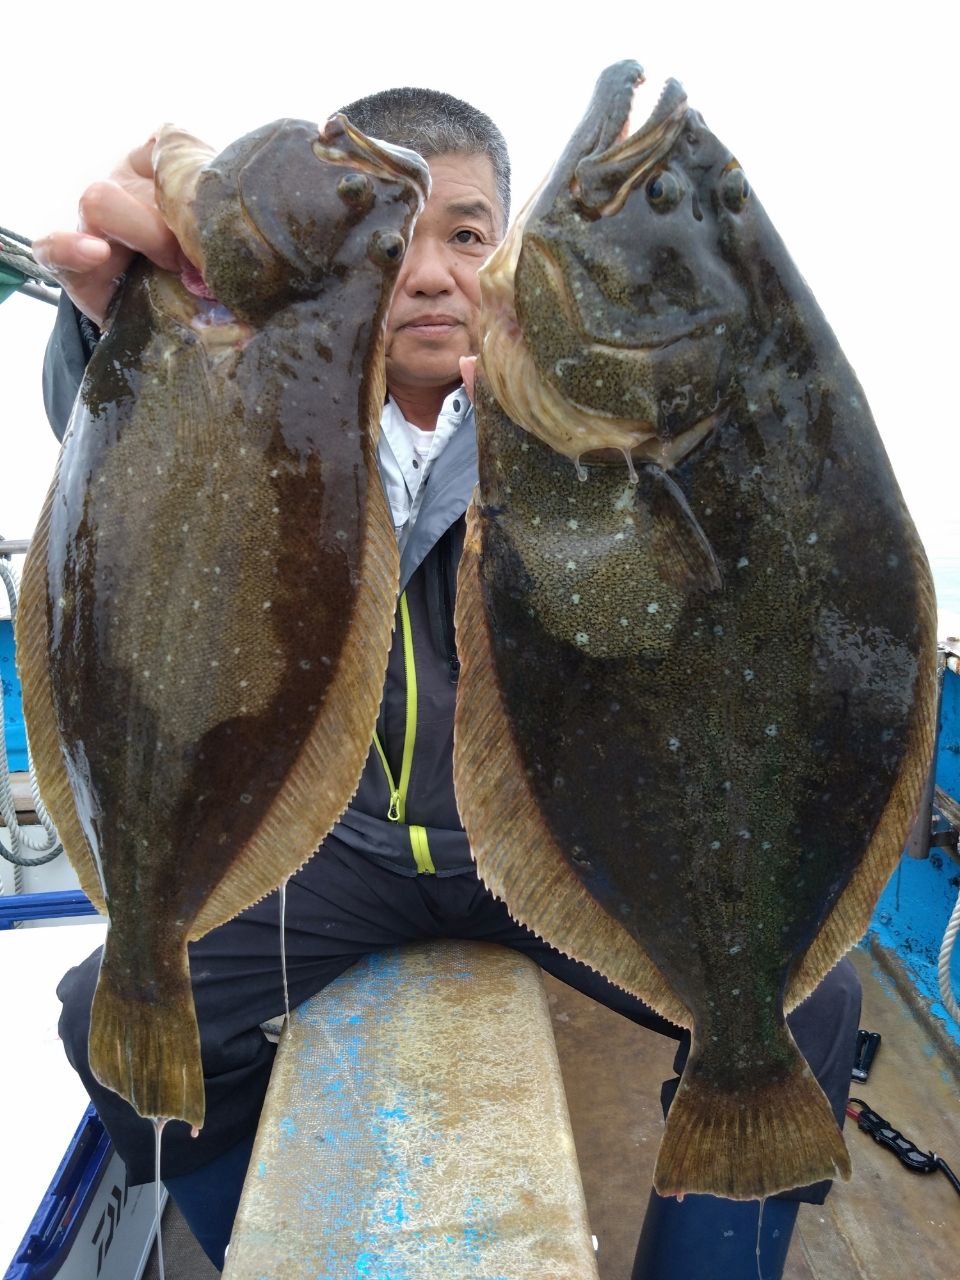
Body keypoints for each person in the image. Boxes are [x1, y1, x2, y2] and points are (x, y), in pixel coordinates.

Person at [33, 88, 862, 1279]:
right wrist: (121, 325)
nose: (429, 272)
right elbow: (117, 456)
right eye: (395, 236)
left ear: (513, 254)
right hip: (339, 853)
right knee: (107, 1010)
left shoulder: (577, 431)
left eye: (468, 235)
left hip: (524, 853)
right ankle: (245, 1249)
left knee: (805, 1012)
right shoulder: (272, 401)